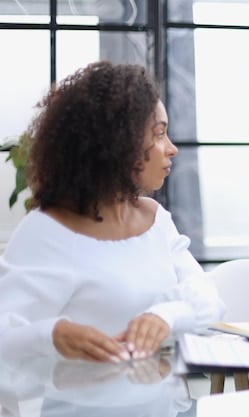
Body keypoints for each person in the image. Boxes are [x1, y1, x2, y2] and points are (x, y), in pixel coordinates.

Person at [0, 61, 225, 363]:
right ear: (118, 143)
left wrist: (166, 316)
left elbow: (210, 300)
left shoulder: (155, 219)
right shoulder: (47, 230)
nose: (171, 148)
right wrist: (53, 334)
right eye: (159, 134)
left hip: (166, 401)